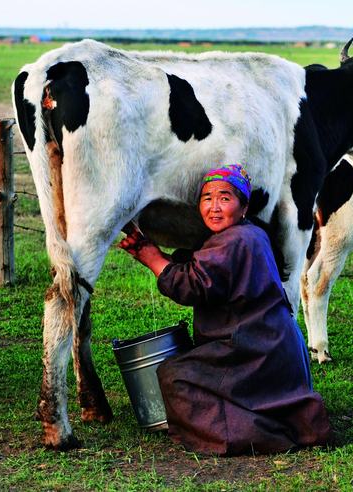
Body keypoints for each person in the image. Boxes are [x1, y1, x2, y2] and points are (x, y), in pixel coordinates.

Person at [119, 164, 331, 455]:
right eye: (207, 198)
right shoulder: (249, 233)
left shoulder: (235, 240)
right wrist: (156, 254)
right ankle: (282, 413)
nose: (214, 207)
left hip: (254, 352)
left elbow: (192, 285)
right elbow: (207, 271)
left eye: (225, 198)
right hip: (270, 347)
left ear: (243, 206)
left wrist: (154, 259)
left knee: (174, 376)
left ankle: (261, 432)